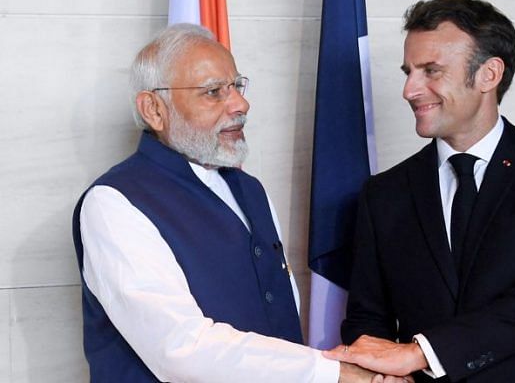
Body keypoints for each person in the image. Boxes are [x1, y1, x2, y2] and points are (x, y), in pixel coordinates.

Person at [72, 23, 381, 383]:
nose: (241, 104)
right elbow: (180, 349)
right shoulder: (114, 203)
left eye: (237, 86)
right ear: (154, 109)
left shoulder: (251, 190)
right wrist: (333, 373)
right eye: (214, 92)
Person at [324, 0, 515, 383]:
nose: (409, 90)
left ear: (489, 74)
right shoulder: (383, 194)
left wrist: (420, 352)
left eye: (430, 71)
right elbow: (369, 320)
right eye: (408, 71)